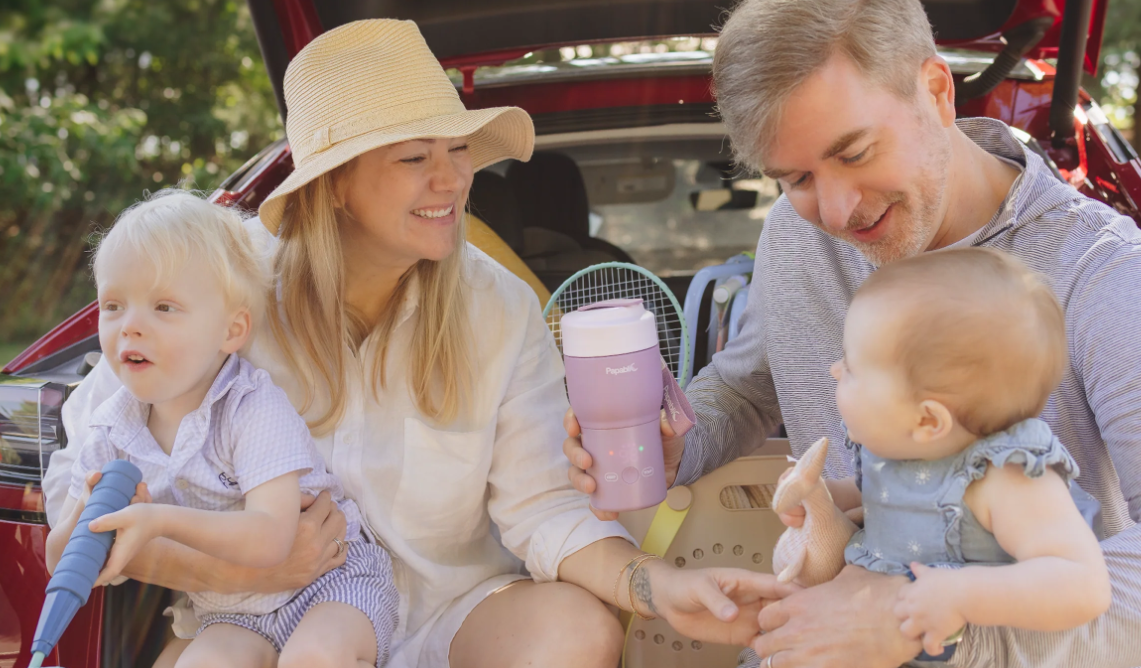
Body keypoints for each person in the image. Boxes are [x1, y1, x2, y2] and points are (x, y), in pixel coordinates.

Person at [43, 19, 792, 668]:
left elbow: (542, 511)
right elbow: (81, 477)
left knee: (571, 631)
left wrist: (654, 586)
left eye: (457, 149)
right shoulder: (224, 281)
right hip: (252, 621)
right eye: (412, 157)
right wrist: (247, 563)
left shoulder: (496, 305)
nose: (451, 179)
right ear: (332, 183)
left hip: (449, 615)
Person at [564, 0, 1141, 666]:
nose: (836, 210)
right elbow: (746, 390)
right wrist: (677, 449)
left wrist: (940, 629)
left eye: (854, 152)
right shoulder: (794, 231)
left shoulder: (1103, 274)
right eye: (796, 178)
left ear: (935, 90)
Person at [46, 191, 398, 668]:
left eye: (164, 307)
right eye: (113, 305)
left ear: (231, 331)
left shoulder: (250, 406)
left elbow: (272, 536)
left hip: (329, 583)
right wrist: (83, 519)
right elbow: (58, 561)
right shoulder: (112, 429)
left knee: (314, 657)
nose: (130, 326)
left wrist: (158, 522)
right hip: (231, 612)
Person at [793, 248, 1110, 661]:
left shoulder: (1003, 478)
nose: (835, 370)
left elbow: (1083, 585)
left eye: (852, 367)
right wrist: (821, 497)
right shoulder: (899, 448)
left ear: (927, 421)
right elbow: (885, 498)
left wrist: (963, 594)